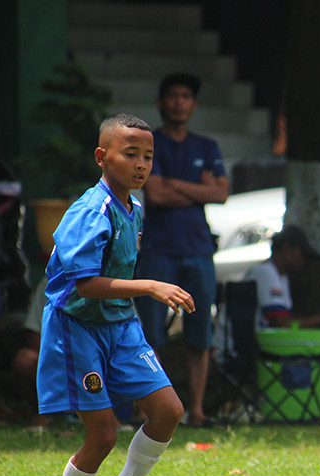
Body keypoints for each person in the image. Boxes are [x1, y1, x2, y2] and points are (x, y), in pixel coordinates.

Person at [38, 113, 193, 476]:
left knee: (168, 411)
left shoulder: (134, 208)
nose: (141, 164)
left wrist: (140, 292)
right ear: (101, 157)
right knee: (104, 434)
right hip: (77, 328)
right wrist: (151, 286)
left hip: (121, 324)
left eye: (148, 156)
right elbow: (85, 285)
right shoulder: (91, 211)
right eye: (131, 154)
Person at [135, 72, 228, 428]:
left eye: (185, 96)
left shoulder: (206, 146)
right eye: (172, 95)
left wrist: (173, 183)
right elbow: (155, 195)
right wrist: (197, 189)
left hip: (199, 250)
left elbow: (221, 193)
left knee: (199, 334)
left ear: (194, 104)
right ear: (161, 102)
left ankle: (197, 410)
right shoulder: (151, 144)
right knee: (150, 335)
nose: (178, 102)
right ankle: (150, 411)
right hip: (158, 250)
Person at [244, 225, 320, 329]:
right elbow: (280, 322)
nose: (303, 260)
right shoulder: (267, 272)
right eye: (302, 254)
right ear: (286, 249)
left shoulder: (282, 277)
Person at [11, 276, 52, 432]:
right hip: (60, 356)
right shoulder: (52, 278)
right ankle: (44, 414)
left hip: (99, 356)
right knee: (25, 359)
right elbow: (35, 333)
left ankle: (113, 418)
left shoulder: (114, 275)